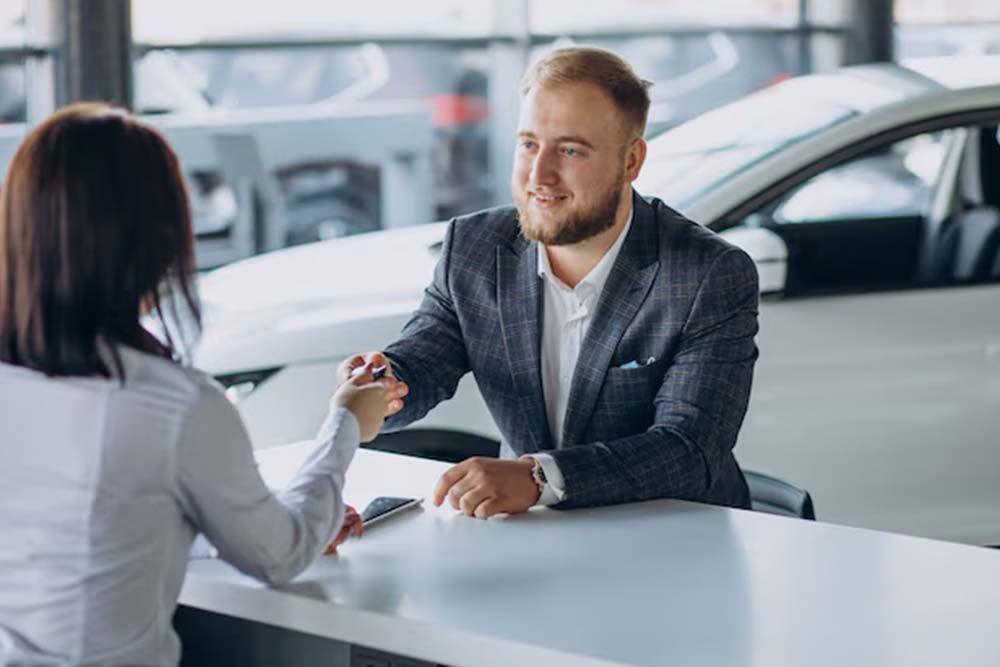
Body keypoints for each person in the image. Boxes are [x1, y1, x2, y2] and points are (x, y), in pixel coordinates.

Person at [0, 103, 402, 667]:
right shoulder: (172, 405)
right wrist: (345, 425)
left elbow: (92, 535)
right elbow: (279, 554)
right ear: (156, 240)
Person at [341, 47, 759, 518]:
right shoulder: (475, 248)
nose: (540, 175)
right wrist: (386, 385)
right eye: (528, 144)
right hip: (534, 535)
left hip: (677, 536)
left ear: (631, 161)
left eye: (570, 150)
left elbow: (690, 449)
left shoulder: (709, 273)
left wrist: (538, 478)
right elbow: (423, 358)